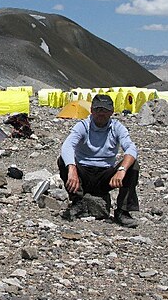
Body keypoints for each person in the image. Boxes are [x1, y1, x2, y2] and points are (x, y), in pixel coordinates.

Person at [58, 94, 140, 227]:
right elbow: (67, 145)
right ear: (91, 110)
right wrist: (72, 168)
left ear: (112, 112)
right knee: (63, 161)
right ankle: (77, 201)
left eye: (105, 110)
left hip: (105, 175)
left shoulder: (117, 127)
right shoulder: (83, 126)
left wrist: (122, 170)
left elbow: (131, 148)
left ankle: (123, 211)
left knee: (133, 165)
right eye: (98, 109)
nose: (101, 113)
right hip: (83, 174)